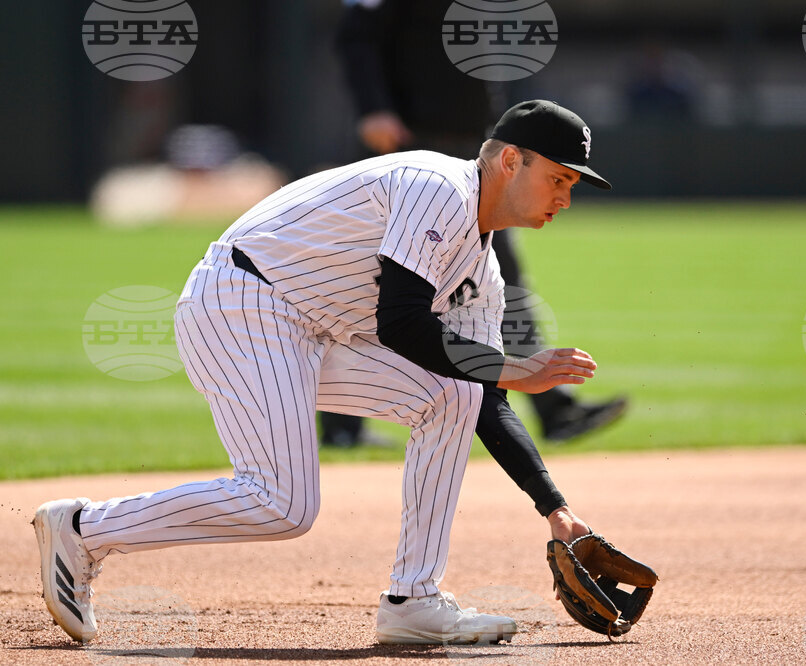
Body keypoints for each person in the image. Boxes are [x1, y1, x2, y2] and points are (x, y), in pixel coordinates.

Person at [33, 100, 609, 646]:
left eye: (572, 185)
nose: (564, 195)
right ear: (511, 160)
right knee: (282, 504)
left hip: (311, 332)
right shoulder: (439, 187)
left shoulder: (483, 275)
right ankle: (83, 530)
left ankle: (413, 602)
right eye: (558, 178)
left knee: (457, 394)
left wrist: (556, 510)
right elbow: (402, 323)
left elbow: (482, 396)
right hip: (240, 302)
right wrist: (509, 368)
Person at [321, 0, 627, 447]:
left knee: (500, 277)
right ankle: (342, 427)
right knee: (367, 279)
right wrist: (373, 107)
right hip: (414, 149)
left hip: (469, 145)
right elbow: (356, 32)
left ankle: (554, 408)